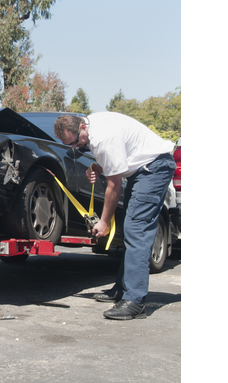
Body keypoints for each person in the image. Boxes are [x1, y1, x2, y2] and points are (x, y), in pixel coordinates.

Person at [53, 112, 176, 320]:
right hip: (141, 171)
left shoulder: (102, 138)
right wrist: (100, 167)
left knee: (136, 230)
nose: (74, 148)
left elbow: (114, 185)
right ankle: (122, 288)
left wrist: (103, 222)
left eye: (74, 142)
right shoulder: (92, 128)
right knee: (131, 228)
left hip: (153, 169)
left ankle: (135, 301)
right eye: (69, 145)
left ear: (82, 128)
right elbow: (119, 156)